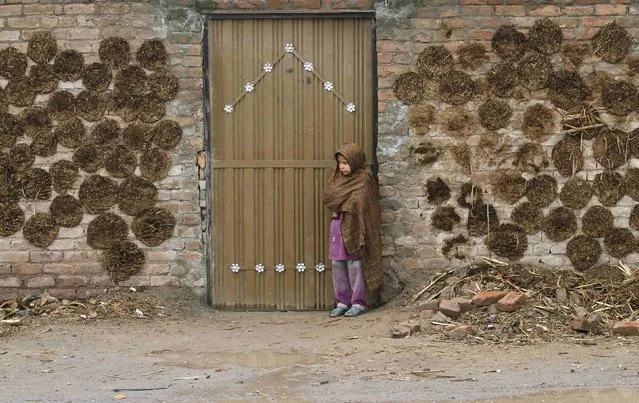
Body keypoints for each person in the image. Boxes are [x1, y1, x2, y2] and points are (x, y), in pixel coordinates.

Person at [322, 143, 382, 317]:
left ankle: (358, 302)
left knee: (354, 263)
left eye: (346, 162)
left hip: (356, 226)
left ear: (355, 162)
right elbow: (329, 196)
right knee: (337, 263)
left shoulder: (364, 179)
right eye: (340, 162)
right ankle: (342, 302)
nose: (342, 166)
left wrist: (347, 206)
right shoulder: (336, 178)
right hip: (337, 224)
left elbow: (365, 205)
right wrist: (344, 205)